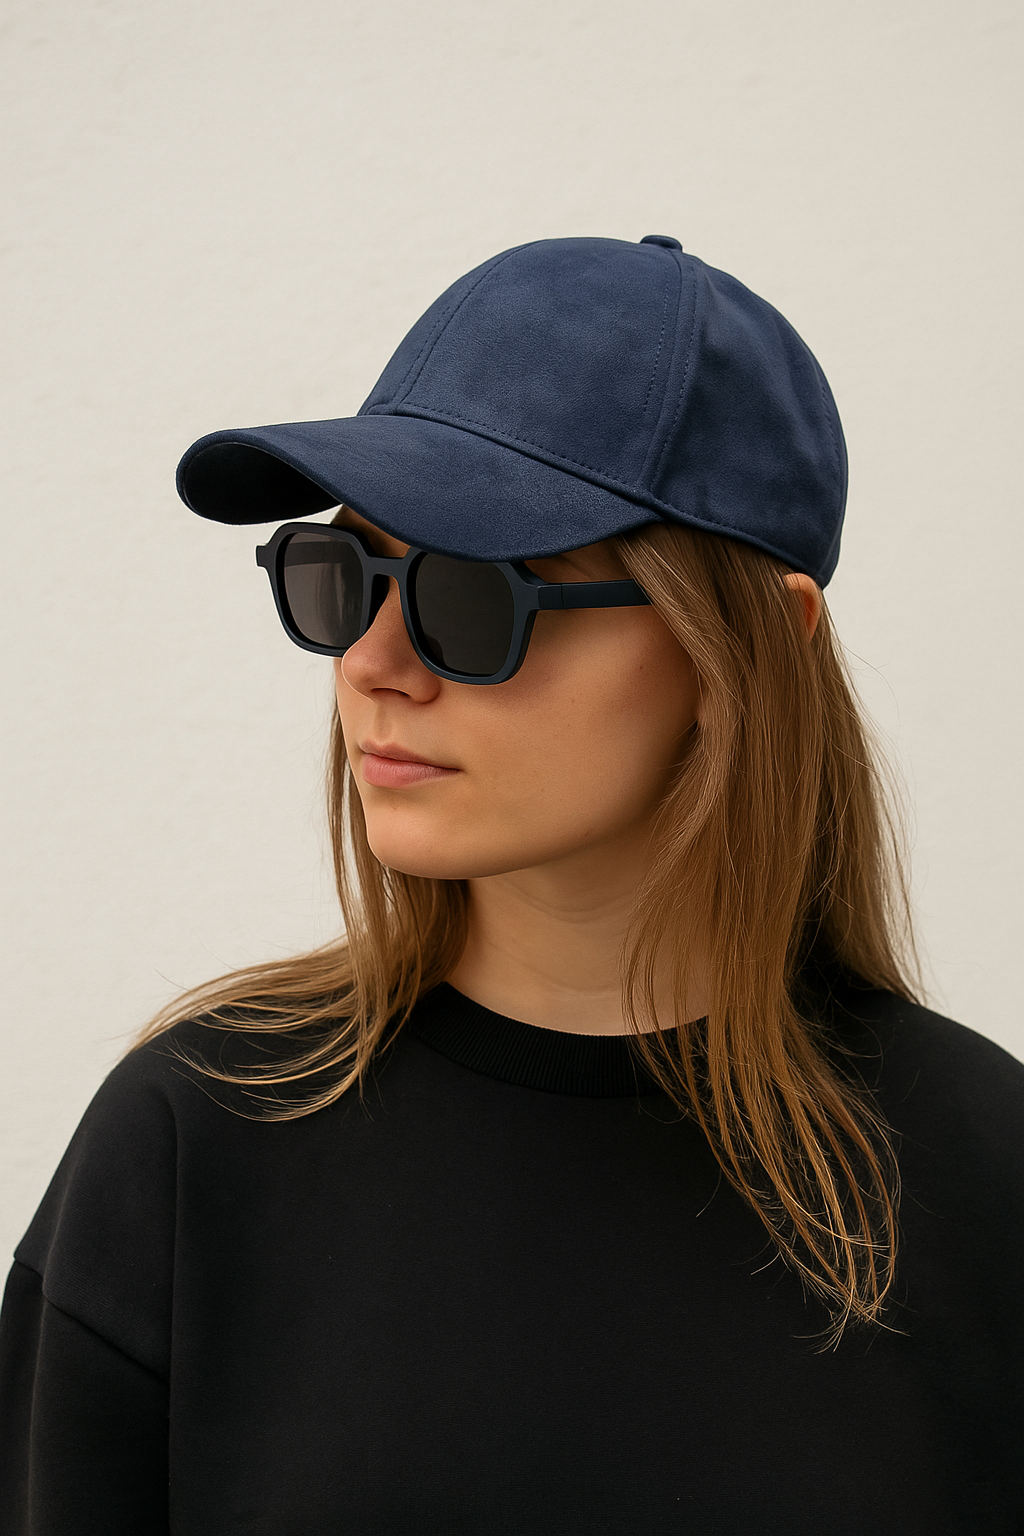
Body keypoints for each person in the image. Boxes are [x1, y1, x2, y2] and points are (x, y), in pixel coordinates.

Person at [1, 235, 1021, 1534]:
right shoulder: (194, 1148)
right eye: (342, 578)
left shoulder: (983, 1177)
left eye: (473, 596)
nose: (373, 663)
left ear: (750, 646)